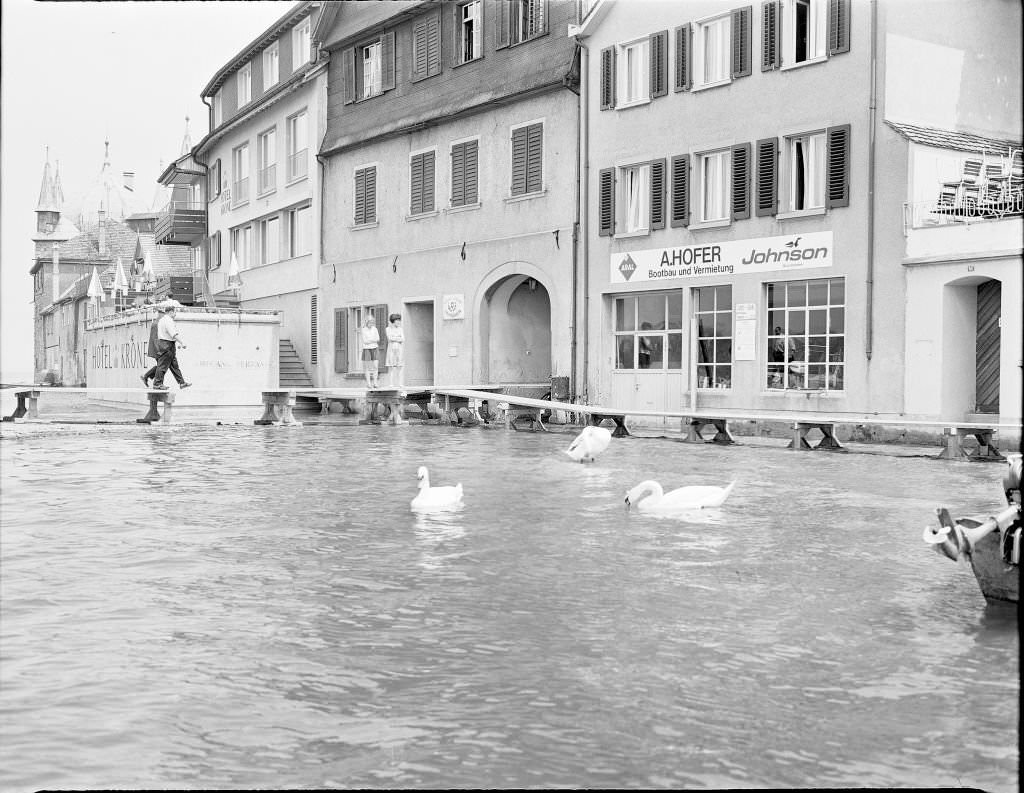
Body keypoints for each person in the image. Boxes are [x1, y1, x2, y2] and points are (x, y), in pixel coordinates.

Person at [151, 300, 192, 391]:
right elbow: (173, 334)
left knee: (174, 366)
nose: (175, 314)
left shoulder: (162, 320)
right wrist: (182, 342)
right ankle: (157, 384)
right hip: (167, 344)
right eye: (175, 312)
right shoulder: (168, 321)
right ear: (171, 312)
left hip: (164, 343)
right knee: (162, 365)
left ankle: (181, 383)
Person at [140, 302, 165, 387]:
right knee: (162, 366)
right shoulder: (157, 324)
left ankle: (148, 377)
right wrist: (159, 350)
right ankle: (156, 382)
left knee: (161, 366)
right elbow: (155, 339)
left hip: (158, 349)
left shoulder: (158, 323)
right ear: (160, 314)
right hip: (157, 349)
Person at [385, 313, 405, 388]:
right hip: (391, 349)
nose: (399, 322)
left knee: (399, 366)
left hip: (399, 349)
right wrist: (397, 338)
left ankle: (400, 383)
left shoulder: (400, 329)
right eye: (398, 320)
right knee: (392, 366)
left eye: (399, 320)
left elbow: (403, 339)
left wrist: (395, 337)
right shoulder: (388, 329)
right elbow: (390, 338)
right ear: (393, 321)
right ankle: (391, 383)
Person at [360, 314, 380, 389]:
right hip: (367, 349)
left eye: (372, 322)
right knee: (367, 367)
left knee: (375, 366)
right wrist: (373, 340)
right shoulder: (363, 329)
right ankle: (368, 383)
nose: (371, 324)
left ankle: (375, 382)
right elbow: (365, 341)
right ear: (366, 322)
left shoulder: (375, 329)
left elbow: (378, 339)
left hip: (375, 348)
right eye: (370, 322)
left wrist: (370, 340)